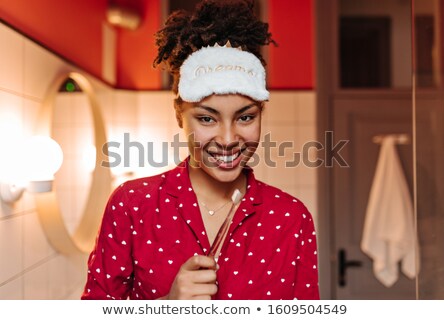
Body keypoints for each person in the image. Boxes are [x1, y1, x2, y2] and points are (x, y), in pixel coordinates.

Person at [81, 0, 319, 300]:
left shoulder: (291, 219)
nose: (229, 138)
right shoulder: (132, 206)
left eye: (245, 117)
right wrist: (166, 308)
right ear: (179, 114)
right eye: (207, 118)